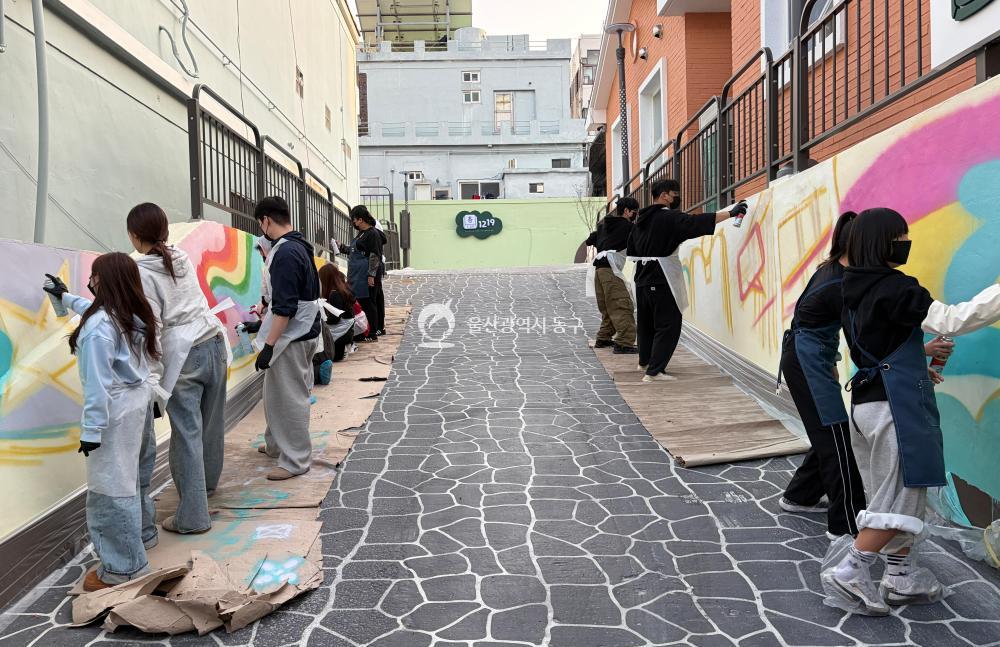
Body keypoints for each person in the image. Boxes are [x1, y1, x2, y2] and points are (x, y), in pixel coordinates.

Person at [821, 207, 1000, 615]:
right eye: (900, 236)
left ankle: (901, 574)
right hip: (894, 408)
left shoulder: (850, 288)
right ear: (883, 242)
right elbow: (952, 320)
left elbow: (880, 347)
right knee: (901, 493)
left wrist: (917, 362)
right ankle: (852, 569)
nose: (905, 243)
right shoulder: (897, 287)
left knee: (891, 489)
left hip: (867, 404)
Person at [42, 254, 159, 591]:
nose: (90, 282)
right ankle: (143, 537)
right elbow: (96, 309)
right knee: (135, 481)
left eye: (94, 277)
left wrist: (91, 431)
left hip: (114, 414)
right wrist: (65, 298)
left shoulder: (98, 328)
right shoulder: (135, 313)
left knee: (110, 491)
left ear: (104, 282)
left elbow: (98, 384)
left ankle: (123, 570)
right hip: (138, 406)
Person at [127, 203, 229, 535]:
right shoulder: (180, 257)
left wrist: (153, 377)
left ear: (133, 235)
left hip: (184, 354)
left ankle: (194, 516)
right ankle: (206, 487)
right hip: (214, 341)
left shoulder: (142, 270)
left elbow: (152, 325)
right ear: (167, 231)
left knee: (186, 434)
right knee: (210, 426)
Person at [776, 211, 867, 539]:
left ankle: (799, 496)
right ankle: (846, 524)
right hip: (806, 361)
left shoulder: (832, 269)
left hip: (806, 357)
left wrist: (831, 359)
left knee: (830, 432)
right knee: (837, 437)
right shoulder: (842, 282)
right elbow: (861, 338)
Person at [626, 179, 747, 382]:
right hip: (661, 276)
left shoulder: (641, 220)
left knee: (646, 323)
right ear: (664, 195)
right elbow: (693, 223)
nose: (677, 198)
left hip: (642, 277)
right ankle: (654, 372)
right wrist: (731, 213)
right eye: (675, 193)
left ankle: (644, 362)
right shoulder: (667, 217)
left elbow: (633, 248)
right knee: (669, 323)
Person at [251, 196, 322, 481]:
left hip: (291, 337)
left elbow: (285, 308)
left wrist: (268, 346)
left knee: (289, 399)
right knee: (275, 395)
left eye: (260, 224)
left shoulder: (285, 253)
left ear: (266, 220)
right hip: (300, 332)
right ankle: (276, 445)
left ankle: (295, 460)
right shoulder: (298, 245)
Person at [586, 197, 639, 354]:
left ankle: (604, 338)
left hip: (599, 271)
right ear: (627, 211)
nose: (635, 215)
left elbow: (589, 240)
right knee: (621, 305)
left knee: (609, 306)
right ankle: (624, 343)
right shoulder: (629, 227)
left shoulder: (604, 226)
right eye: (634, 212)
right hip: (610, 271)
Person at [339, 206, 383, 342]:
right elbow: (354, 250)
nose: (353, 222)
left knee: (369, 302)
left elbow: (375, 255)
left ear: (360, 219)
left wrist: (371, 275)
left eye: (354, 219)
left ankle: (372, 332)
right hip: (356, 274)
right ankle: (365, 330)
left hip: (365, 274)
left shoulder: (372, 234)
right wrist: (341, 247)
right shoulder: (361, 233)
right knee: (361, 301)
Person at [318, 263, 358, 362]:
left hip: (342, 331)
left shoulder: (335, 294)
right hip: (348, 330)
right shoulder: (343, 288)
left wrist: (323, 320)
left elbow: (335, 319)